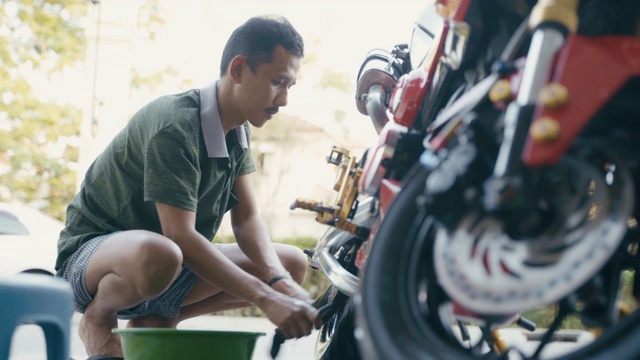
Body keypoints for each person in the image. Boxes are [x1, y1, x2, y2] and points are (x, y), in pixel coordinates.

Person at [55, 14, 319, 359]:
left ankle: (158, 317)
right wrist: (266, 297)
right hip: (90, 263)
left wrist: (278, 280)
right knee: (163, 252)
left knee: (292, 263)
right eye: (277, 82)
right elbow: (179, 236)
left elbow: (247, 218)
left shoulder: (238, 130)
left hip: (167, 267)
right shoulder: (175, 126)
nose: (283, 100)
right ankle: (100, 316)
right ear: (238, 69)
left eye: (289, 86)